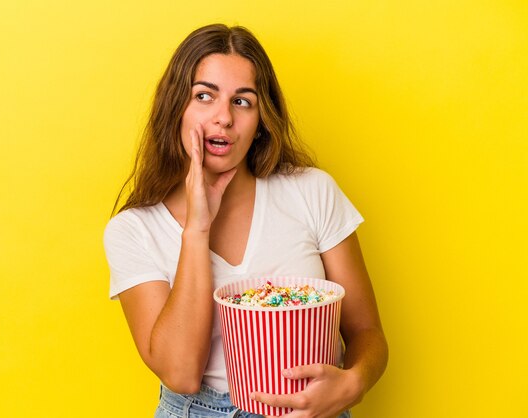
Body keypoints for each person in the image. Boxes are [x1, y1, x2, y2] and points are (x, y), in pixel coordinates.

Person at [104, 24, 388, 418]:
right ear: (176, 110)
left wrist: (352, 384)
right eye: (204, 96)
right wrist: (197, 229)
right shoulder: (133, 230)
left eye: (243, 101)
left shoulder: (311, 192)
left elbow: (367, 333)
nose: (223, 118)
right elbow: (181, 374)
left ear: (260, 122)